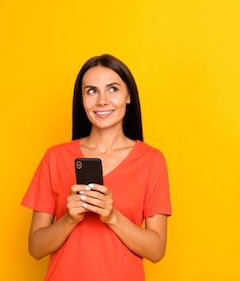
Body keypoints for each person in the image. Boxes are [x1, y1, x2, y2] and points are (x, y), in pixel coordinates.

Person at [22, 54, 171, 281]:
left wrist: (112, 216)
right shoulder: (56, 157)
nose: (102, 100)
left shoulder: (152, 161)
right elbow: (36, 248)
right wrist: (70, 219)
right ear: (81, 100)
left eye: (112, 89)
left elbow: (156, 250)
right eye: (91, 91)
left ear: (128, 96)